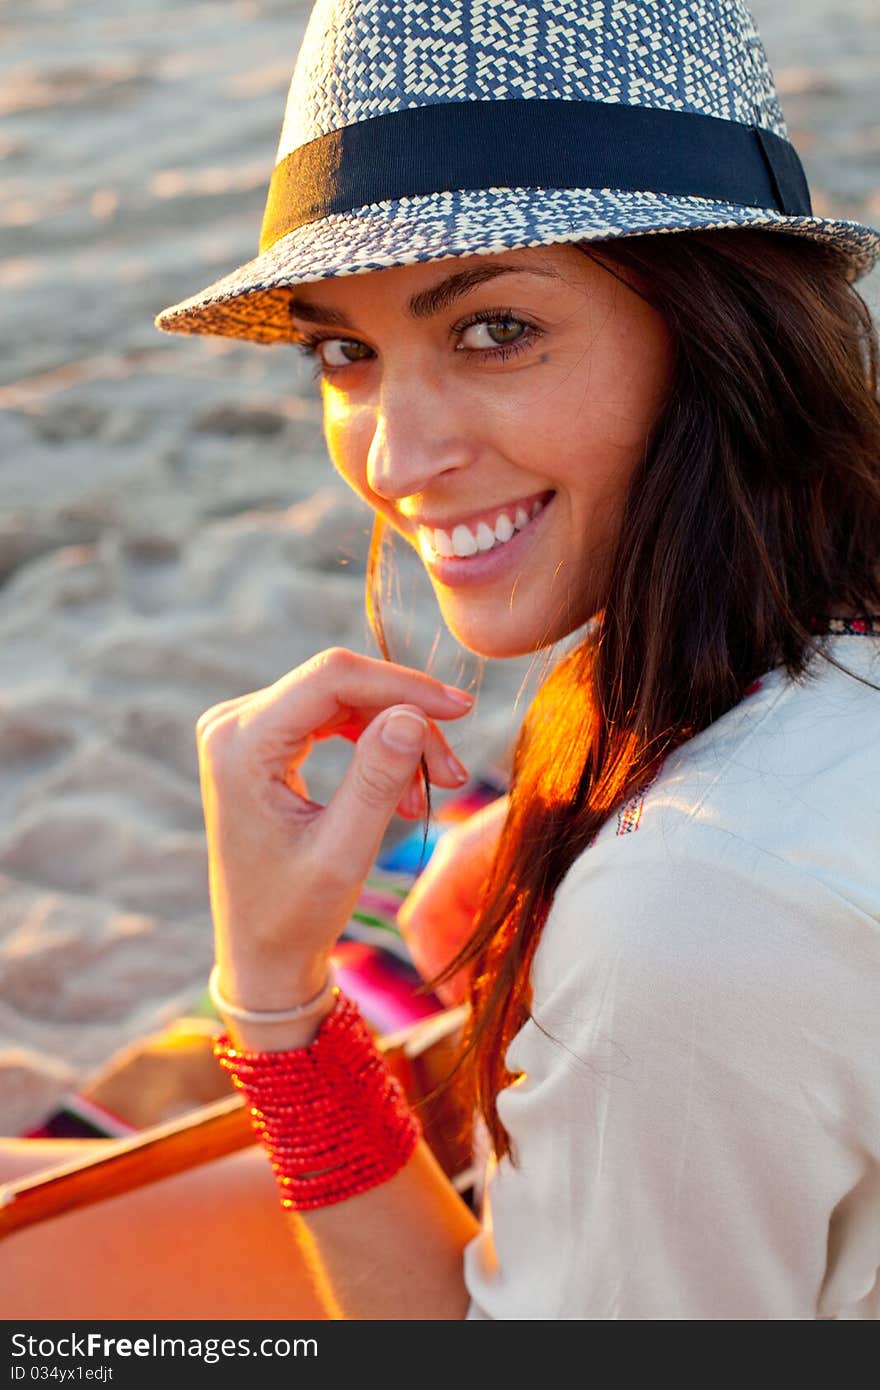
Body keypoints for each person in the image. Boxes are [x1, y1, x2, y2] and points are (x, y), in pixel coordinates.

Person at [2, 0, 879, 1320]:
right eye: (343, 351)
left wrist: (279, 1005)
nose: (394, 462)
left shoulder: (693, 915)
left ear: (720, 324)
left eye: (491, 330)